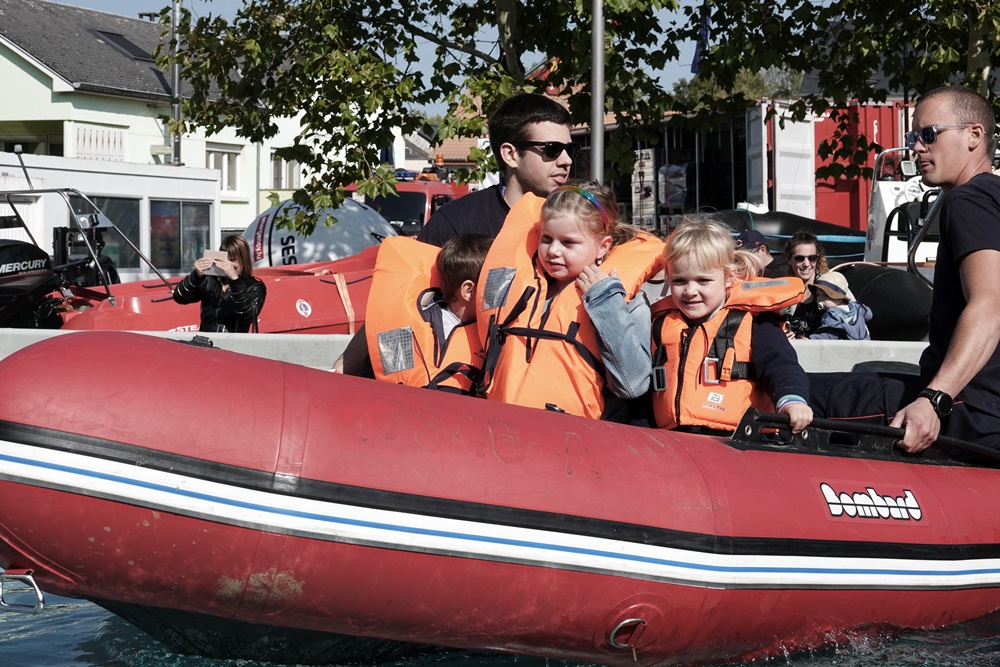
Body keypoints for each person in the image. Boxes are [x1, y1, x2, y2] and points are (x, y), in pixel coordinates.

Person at [812, 85, 1000, 455]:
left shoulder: (968, 199)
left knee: (799, 391)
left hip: (969, 410)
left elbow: (990, 305)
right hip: (985, 406)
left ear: (974, 135)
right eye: (913, 136)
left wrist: (934, 398)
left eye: (928, 134)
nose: (916, 147)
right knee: (866, 378)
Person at [476, 181, 664, 419]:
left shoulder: (625, 299)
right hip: (503, 423)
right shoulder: (525, 289)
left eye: (568, 243)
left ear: (603, 247)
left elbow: (633, 384)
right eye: (546, 238)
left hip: (572, 438)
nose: (553, 251)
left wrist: (605, 302)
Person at [650, 218, 812, 434]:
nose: (690, 291)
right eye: (680, 281)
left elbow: (781, 365)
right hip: (678, 439)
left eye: (703, 280)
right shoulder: (661, 323)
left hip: (738, 439)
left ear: (728, 278)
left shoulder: (754, 320)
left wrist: (792, 400)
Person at [339, 234, 493, 394]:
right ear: (468, 291)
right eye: (494, 284)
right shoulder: (401, 328)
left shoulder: (495, 335)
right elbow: (384, 379)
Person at [417, 93, 574, 246]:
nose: (567, 160)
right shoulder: (454, 224)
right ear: (511, 155)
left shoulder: (583, 220)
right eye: (553, 149)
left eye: (571, 149)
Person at [173, 235, 266, 333]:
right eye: (225, 260)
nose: (228, 265)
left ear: (244, 260)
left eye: (233, 260)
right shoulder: (210, 279)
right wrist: (196, 276)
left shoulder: (254, 286)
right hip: (206, 340)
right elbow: (179, 297)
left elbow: (248, 316)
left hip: (234, 341)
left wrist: (235, 281)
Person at [781, 230, 830, 338]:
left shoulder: (830, 286)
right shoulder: (782, 291)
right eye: (800, 258)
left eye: (812, 258)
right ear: (789, 259)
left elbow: (852, 322)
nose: (806, 264)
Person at [807, 271, 872, 341]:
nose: (820, 299)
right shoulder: (856, 307)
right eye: (818, 295)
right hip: (864, 345)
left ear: (839, 297)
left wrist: (812, 339)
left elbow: (830, 334)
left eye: (825, 295)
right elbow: (869, 315)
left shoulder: (831, 314)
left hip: (845, 349)